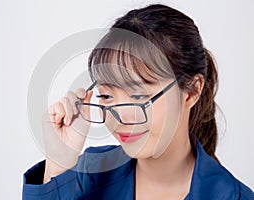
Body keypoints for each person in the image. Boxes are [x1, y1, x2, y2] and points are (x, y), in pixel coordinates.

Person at [22, 4, 254, 200]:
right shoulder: (88, 176)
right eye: (106, 96)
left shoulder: (233, 196)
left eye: (139, 96)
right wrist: (58, 162)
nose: (121, 119)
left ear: (192, 91)